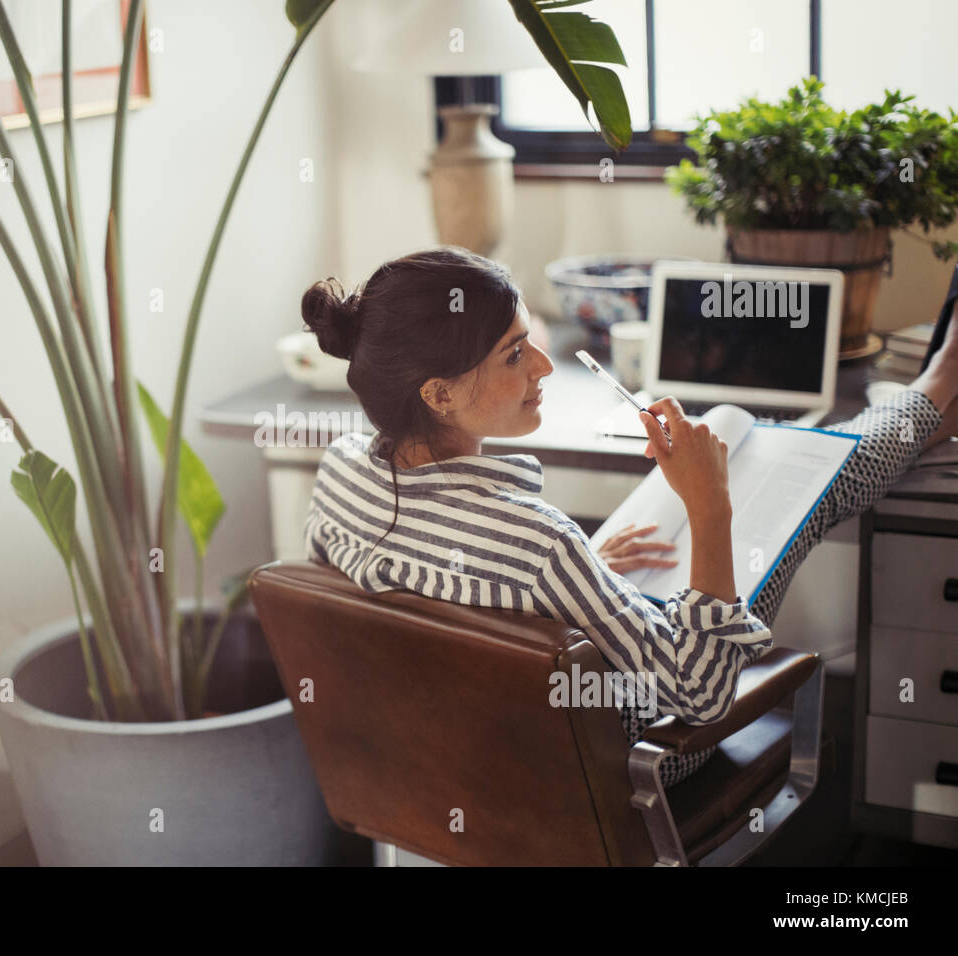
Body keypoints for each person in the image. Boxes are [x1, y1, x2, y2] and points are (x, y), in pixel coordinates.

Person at [300, 247, 958, 788]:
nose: (544, 366)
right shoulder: (541, 548)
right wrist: (710, 507)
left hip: (449, 768)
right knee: (803, 495)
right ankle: (933, 394)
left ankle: (933, 402)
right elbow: (700, 698)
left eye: (531, 341)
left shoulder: (339, 473)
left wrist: (552, 594)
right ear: (438, 394)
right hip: (617, 767)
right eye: (512, 354)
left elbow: (414, 598)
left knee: (765, 488)